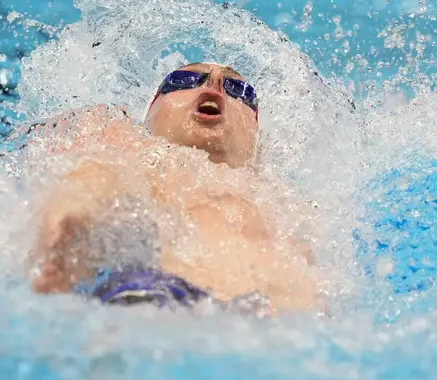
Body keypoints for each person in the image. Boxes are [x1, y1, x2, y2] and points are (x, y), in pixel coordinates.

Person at [24, 62, 322, 315]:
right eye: (185, 80)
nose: (214, 88)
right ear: (152, 106)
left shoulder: (291, 203)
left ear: (255, 127)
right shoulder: (127, 142)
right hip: (150, 297)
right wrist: (63, 237)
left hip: (265, 330)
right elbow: (89, 184)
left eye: (238, 90)